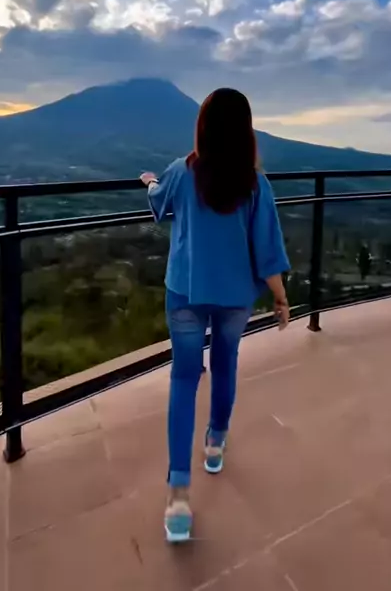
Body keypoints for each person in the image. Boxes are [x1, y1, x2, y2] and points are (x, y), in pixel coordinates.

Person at [140, 88, 290, 543]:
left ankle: (178, 498)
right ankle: (215, 445)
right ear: (245, 130)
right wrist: (280, 298)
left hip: (185, 292)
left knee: (184, 379)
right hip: (235, 297)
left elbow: (158, 202)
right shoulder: (255, 184)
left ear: (202, 127)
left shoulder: (182, 171)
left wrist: (150, 182)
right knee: (226, 365)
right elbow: (267, 248)